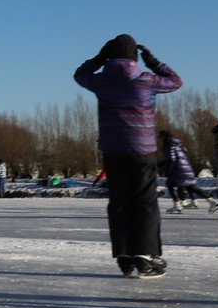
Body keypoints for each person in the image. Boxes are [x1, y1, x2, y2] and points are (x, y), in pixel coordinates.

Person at [74, 34, 183, 278]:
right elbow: (176, 81)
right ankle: (145, 255)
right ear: (135, 56)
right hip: (141, 150)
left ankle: (124, 254)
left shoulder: (101, 81)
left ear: (110, 56)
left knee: (119, 201)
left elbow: (80, 75)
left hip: (113, 150)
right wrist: (153, 62)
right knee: (145, 202)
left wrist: (98, 59)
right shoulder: (146, 80)